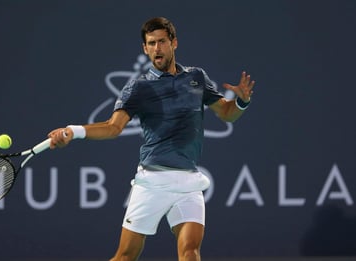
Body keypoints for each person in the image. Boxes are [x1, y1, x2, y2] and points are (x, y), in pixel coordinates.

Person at [48, 17, 255, 261]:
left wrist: (241, 102)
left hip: (188, 183)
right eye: (151, 43)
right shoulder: (138, 88)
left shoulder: (196, 77)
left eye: (162, 42)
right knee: (126, 256)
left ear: (174, 43)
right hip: (152, 182)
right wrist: (74, 130)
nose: (157, 48)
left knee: (190, 252)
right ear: (145, 48)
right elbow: (113, 127)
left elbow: (227, 114)